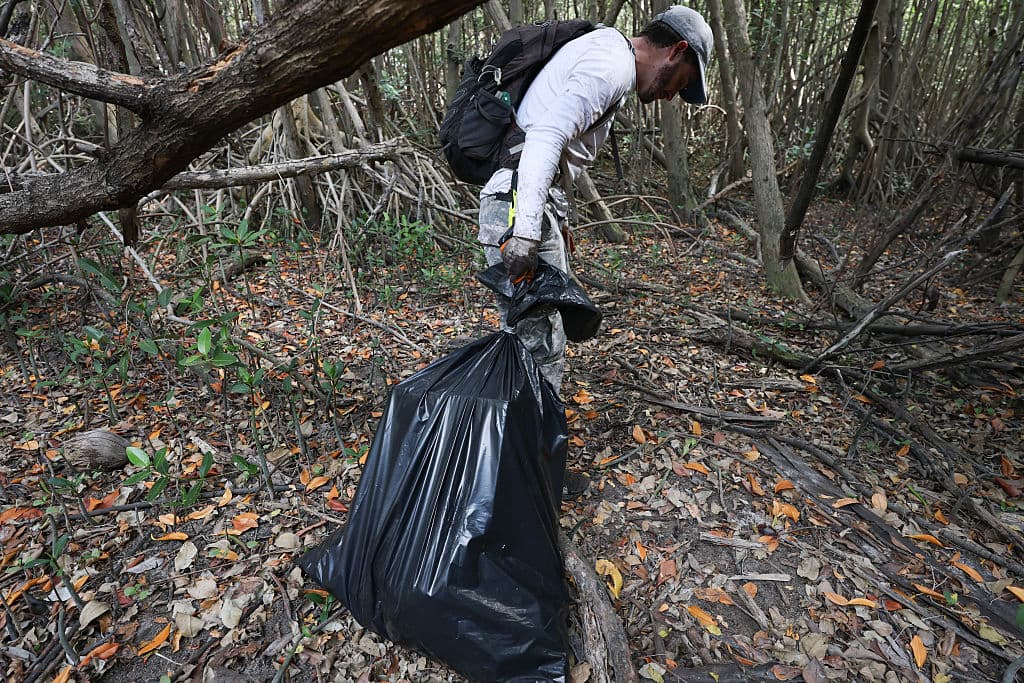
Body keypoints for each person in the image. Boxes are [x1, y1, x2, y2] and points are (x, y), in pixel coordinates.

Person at [476, 6, 713, 495]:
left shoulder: (608, 59)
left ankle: (517, 467)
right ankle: (530, 480)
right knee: (540, 348)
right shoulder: (613, 65)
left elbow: (552, 141)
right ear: (677, 51)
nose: (672, 96)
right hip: (519, 206)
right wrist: (526, 229)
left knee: (531, 340)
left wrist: (555, 222)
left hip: (525, 201)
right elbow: (545, 136)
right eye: (681, 82)